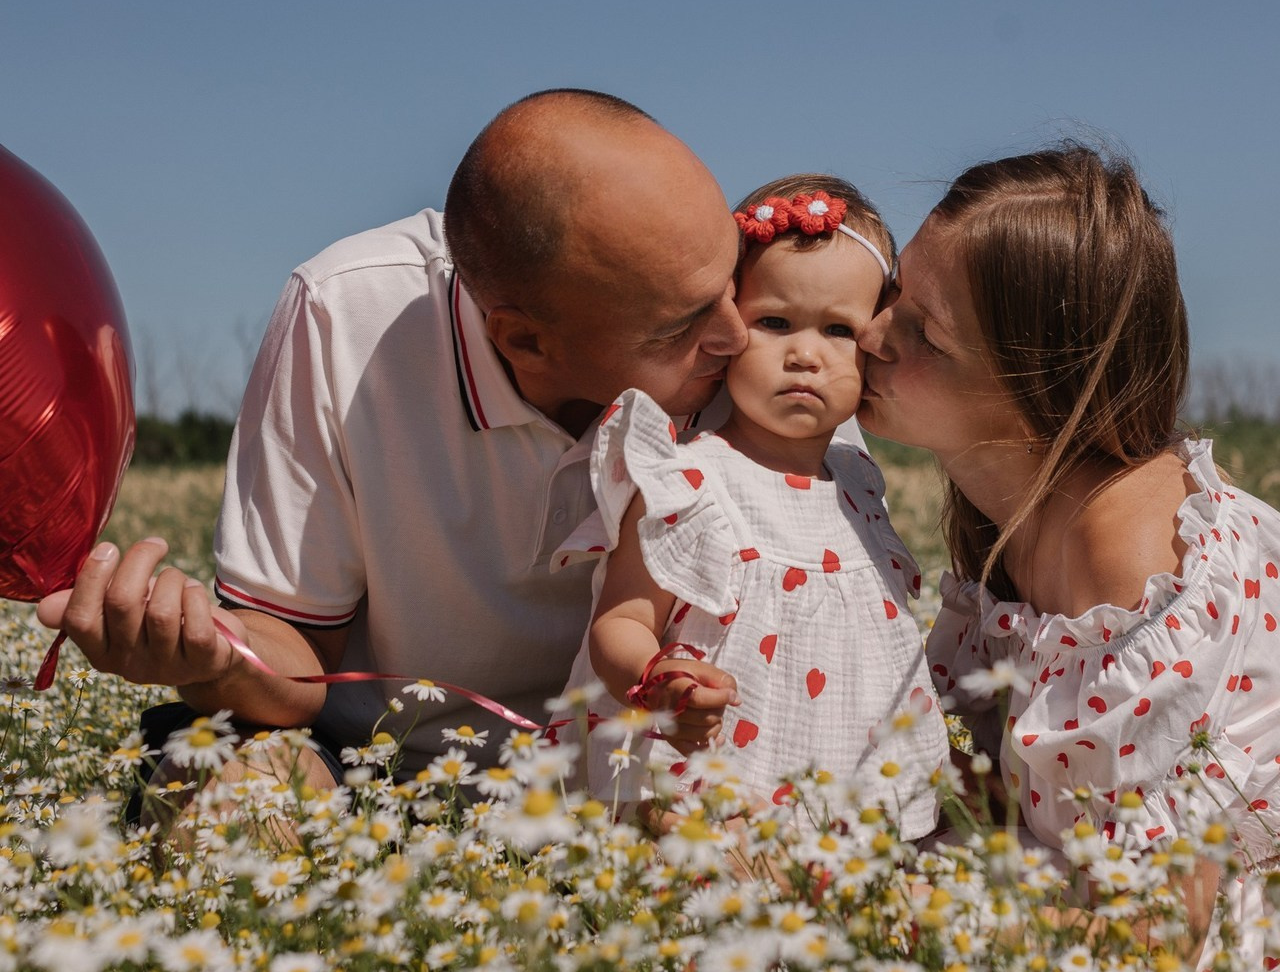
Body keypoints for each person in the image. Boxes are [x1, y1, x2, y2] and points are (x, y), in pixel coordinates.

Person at [36, 88, 749, 788]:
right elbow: (297, 663)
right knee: (240, 806)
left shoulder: (769, 328)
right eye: (679, 328)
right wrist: (210, 659)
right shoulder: (345, 316)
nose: (739, 334)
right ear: (525, 339)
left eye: (734, 278)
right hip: (372, 769)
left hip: (650, 776)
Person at [855, 141, 1280, 964]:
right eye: (893, 292)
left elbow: (1159, 933)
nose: (870, 335)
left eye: (925, 335)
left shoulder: (1130, 567)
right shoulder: (1017, 517)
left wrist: (879, 903)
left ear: (1036, 391)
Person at [554, 175, 948, 836]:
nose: (804, 354)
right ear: (727, 324)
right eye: (774, 322)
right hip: (707, 784)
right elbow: (619, 621)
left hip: (840, 783)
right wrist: (659, 680)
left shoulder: (858, 481)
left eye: (838, 330)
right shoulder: (688, 480)